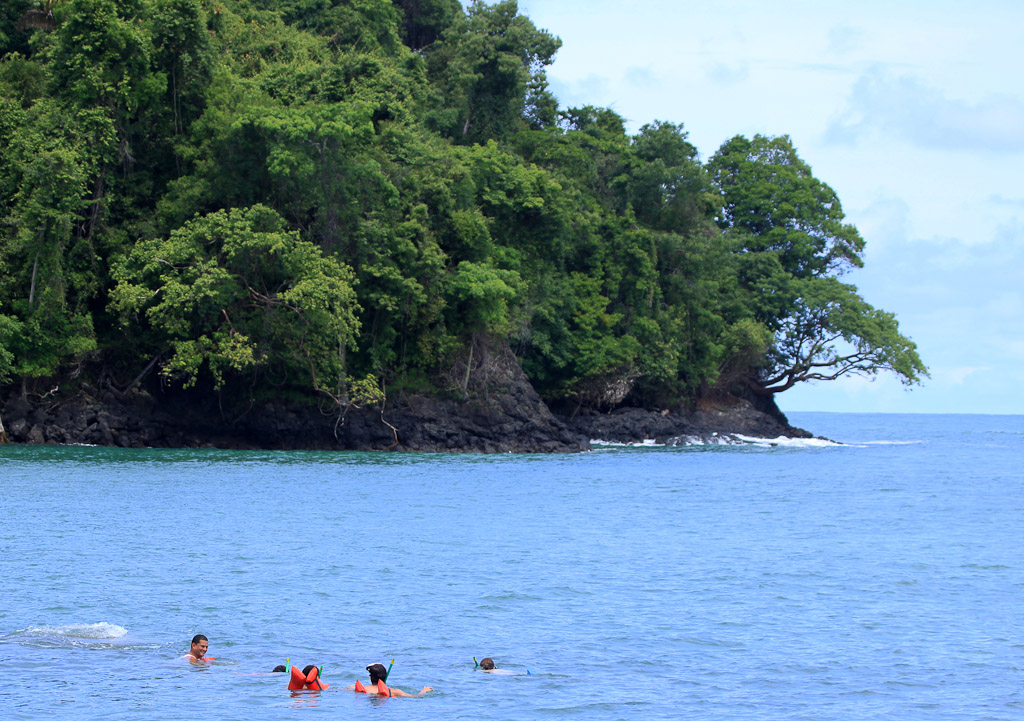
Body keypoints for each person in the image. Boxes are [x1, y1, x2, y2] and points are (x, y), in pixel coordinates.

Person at [346, 663, 432, 697]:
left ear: (371, 677)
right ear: (385, 676)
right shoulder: (394, 691)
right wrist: (423, 691)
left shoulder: (354, 688)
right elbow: (415, 696)